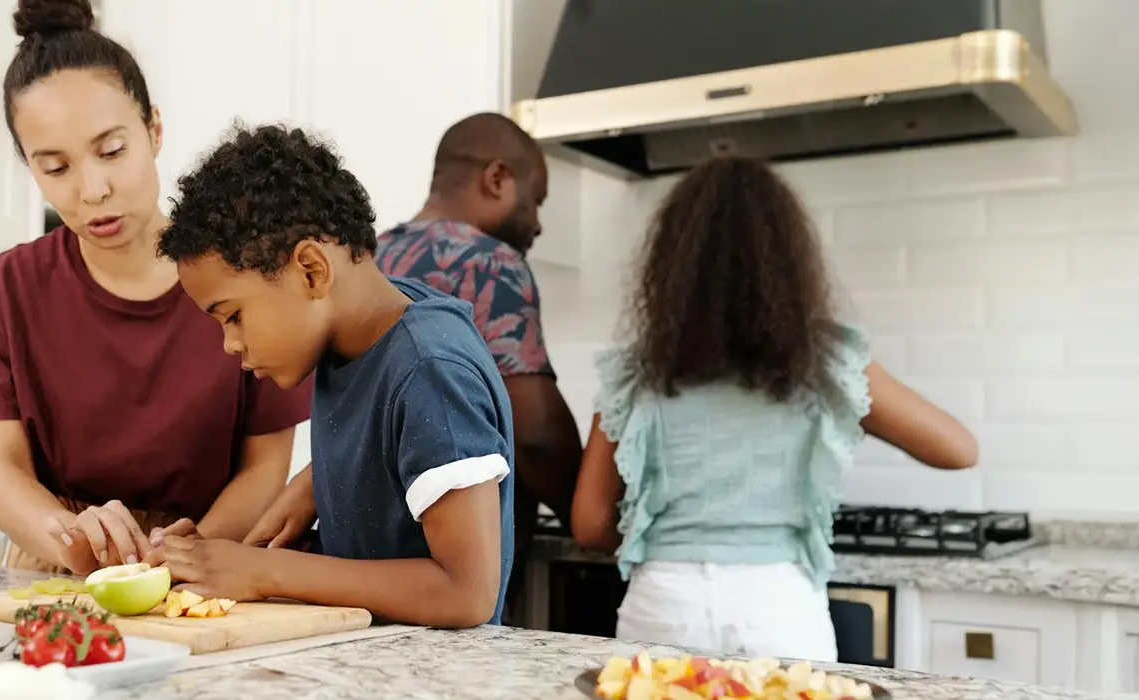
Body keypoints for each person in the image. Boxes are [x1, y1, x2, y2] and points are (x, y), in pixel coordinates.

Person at [570, 155, 979, 660]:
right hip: (779, 609)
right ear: (789, 262)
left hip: (665, 604)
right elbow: (958, 449)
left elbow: (589, 524)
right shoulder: (826, 364)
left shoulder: (636, 373)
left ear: (669, 265)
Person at [0, 0, 311, 577]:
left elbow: (264, 467)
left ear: (153, 129)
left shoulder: (246, 272)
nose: (92, 189)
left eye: (111, 151)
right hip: (59, 560)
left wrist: (177, 558)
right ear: (28, 166)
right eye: (55, 167)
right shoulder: (4, 288)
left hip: (211, 558)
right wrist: (75, 540)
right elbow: (0, 472)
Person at [149, 123, 516, 629]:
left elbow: (466, 593)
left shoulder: (430, 369)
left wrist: (269, 571)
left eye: (232, 315)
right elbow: (383, 438)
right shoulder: (355, 336)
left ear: (312, 270)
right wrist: (311, 487)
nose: (231, 344)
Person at [375, 112, 584, 622]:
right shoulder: (490, 263)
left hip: (367, 562)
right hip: (457, 573)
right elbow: (535, 434)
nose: (536, 223)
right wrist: (589, 514)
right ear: (496, 179)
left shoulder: (370, 255)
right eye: (535, 200)